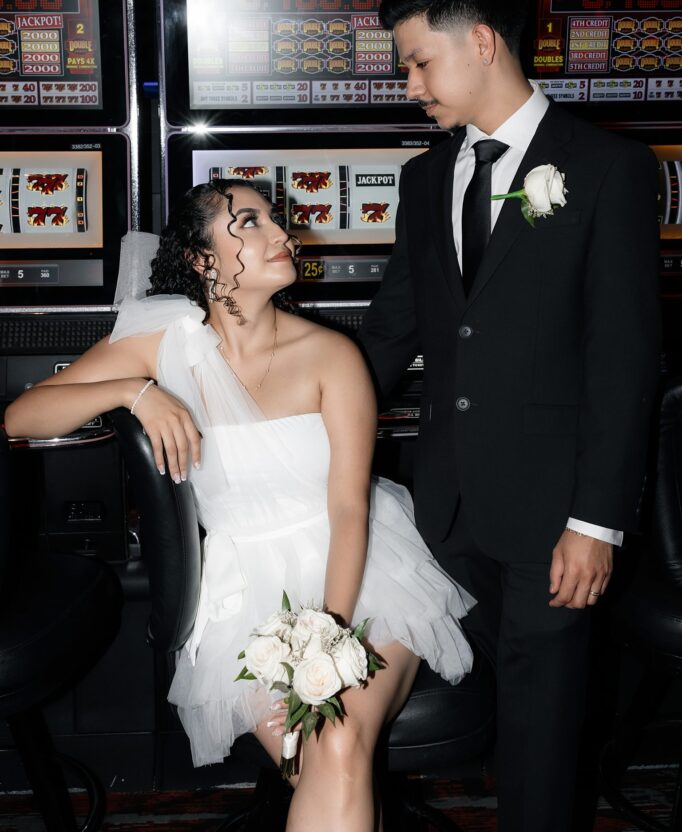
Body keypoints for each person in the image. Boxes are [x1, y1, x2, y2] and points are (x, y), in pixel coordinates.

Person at [4, 178, 474, 832]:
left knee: (336, 745)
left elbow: (349, 511)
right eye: (249, 223)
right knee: (325, 757)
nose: (283, 235)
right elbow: (20, 418)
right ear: (202, 260)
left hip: (363, 575)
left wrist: (327, 636)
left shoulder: (332, 355)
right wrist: (133, 392)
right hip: (242, 590)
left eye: (276, 221)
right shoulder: (163, 345)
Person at [358, 0, 661, 832]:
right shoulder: (425, 178)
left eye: (419, 62)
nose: (411, 85)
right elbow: (391, 332)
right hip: (442, 506)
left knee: (542, 735)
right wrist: (296, 421)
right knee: (464, 712)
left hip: (554, 518)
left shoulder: (608, 169)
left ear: (482, 41)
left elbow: (625, 359)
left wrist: (596, 521)